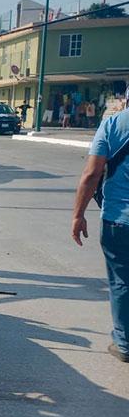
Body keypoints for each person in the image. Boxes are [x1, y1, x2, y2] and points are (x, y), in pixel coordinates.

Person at [72, 107, 129, 363]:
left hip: (119, 219)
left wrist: (78, 215)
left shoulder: (113, 124)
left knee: (121, 281)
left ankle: (125, 343)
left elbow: (92, 174)